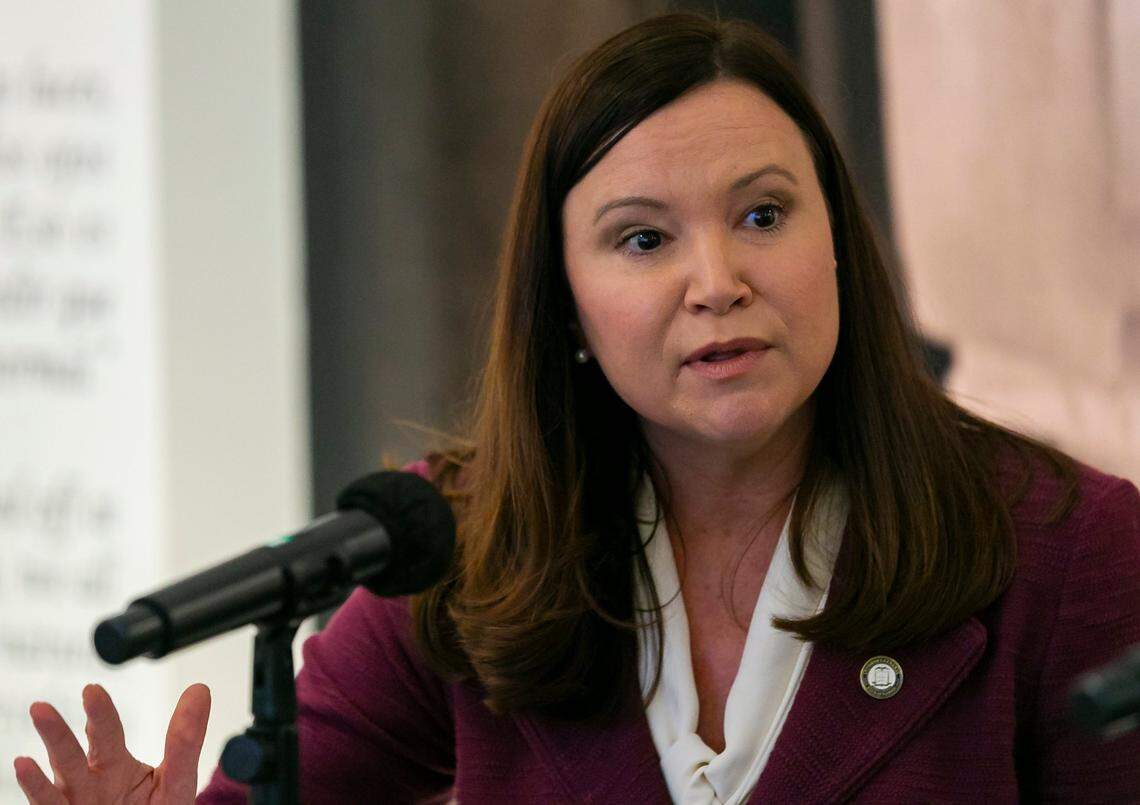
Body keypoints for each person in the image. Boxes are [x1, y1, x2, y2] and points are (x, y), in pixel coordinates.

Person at [14, 12, 1140, 804]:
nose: (717, 281)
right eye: (644, 238)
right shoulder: (457, 545)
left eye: (762, 215)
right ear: (566, 304)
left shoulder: (1067, 548)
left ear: (839, 242)